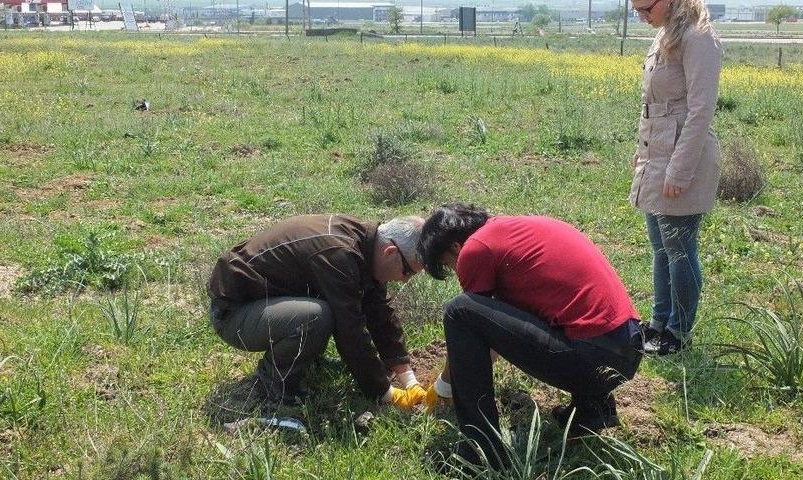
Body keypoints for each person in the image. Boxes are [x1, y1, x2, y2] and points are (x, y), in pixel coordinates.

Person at [418, 203, 643, 468]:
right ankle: (591, 411)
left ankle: (479, 452)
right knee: (564, 314)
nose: (456, 270)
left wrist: (444, 386)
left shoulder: (476, 248)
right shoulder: (522, 229)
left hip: (591, 359)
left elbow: (479, 333)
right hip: (627, 348)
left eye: (448, 264)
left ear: (456, 247)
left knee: (460, 311)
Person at [207, 214, 427, 410]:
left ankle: (305, 363)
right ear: (390, 252)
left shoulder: (365, 246)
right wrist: (384, 392)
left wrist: (408, 379)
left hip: (263, 303)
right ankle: (276, 382)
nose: (405, 280)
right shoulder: (338, 255)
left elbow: (379, 310)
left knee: (325, 310)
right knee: (317, 316)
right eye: (407, 271)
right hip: (234, 314)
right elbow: (350, 330)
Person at [628, 0, 723, 355]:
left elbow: (700, 110)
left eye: (644, 8)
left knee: (680, 251)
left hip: (683, 158)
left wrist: (679, 169)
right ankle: (658, 323)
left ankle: (678, 332)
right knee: (661, 249)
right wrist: (643, 150)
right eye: (635, 10)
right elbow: (655, 105)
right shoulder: (666, 33)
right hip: (657, 155)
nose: (641, 16)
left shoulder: (699, 37)